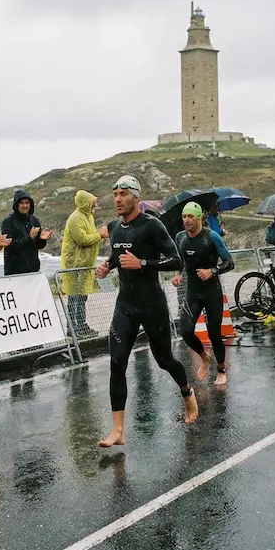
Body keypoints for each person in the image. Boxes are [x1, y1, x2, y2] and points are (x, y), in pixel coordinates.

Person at [95, 175, 197, 447]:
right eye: (115, 194)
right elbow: (118, 257)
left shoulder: (152, 225)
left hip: (152, 304)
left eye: (123, 194)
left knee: (164, 360)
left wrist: (142, 263)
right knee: (116, 363)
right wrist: (107, 266)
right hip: (125, 305)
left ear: (136, 197)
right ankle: (118, 431)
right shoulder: (114, 226)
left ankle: (187, 393)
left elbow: (176, 260)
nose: (118, 199)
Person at [173, 202, 235, 386]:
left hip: (211, 292)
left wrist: (212, 271)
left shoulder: (212, 237)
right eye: (184, 217)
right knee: (185, 331)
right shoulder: (180, 237)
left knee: (214, 334)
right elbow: (180, 260)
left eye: (190, 216)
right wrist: (177, 274)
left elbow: (229, 262)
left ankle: (222, 369)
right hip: (193, 292)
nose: (186, 220)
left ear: (199, 217)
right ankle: (204, 357)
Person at [60, 191, 109, 338]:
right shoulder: (75, 218)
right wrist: (99, 235)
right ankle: (73, 328)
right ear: (85, 203)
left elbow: (91, 237)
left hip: (85, 264)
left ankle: (81, 325)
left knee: (81, 297)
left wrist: (99, 236)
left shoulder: (88, 216)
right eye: (93, 202)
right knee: (74, 297)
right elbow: (82, 239)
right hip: (74, 265)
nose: (95, 204)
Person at [0, 189, 52, 276]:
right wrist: (29, 237)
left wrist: (42, 239)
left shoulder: (34, 220)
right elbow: (10, 245)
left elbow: (38, 246)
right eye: (22, 203)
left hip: (33, 271)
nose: (25, 205)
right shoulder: (8, 222)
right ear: (16, 205)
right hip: (14, 273)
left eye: (27, 203)